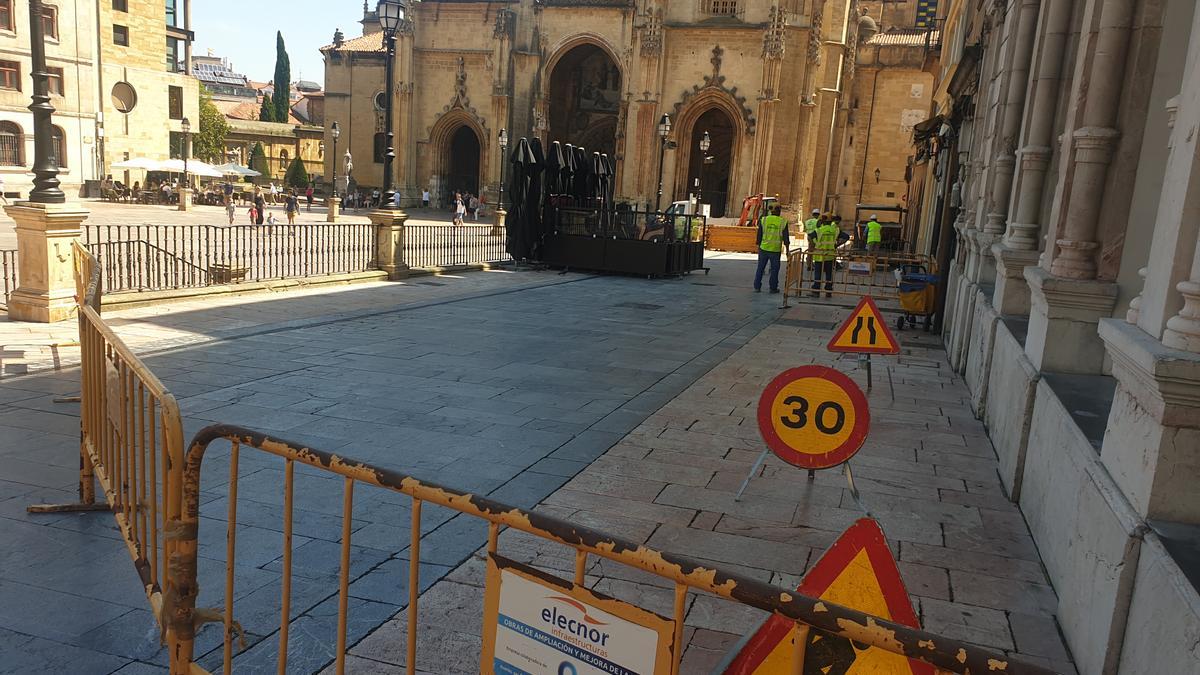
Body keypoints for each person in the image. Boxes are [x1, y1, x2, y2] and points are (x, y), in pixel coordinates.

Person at [753, 205, 790, 294]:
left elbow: (759, 235)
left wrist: (758, 246)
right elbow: (786, 238)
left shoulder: (764, 220)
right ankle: (773, 288)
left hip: (763, 248)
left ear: (771, 211)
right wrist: (787, 250)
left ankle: (757, 286)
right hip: (775, 250)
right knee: (774, 269)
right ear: (779, 211)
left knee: (760, 268)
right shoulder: (783, 222)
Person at [812, 214, 839, 298]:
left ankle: (816, 291)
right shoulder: (835, 230)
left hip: (819, 255)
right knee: (829, 274)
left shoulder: (819, 230)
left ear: (822, 221)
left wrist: (815, 244)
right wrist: (836, 245)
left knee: (818, 273)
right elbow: (846, 237)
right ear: (831, 221)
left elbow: (810, 236)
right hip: (830, 256)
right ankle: (828, 291)